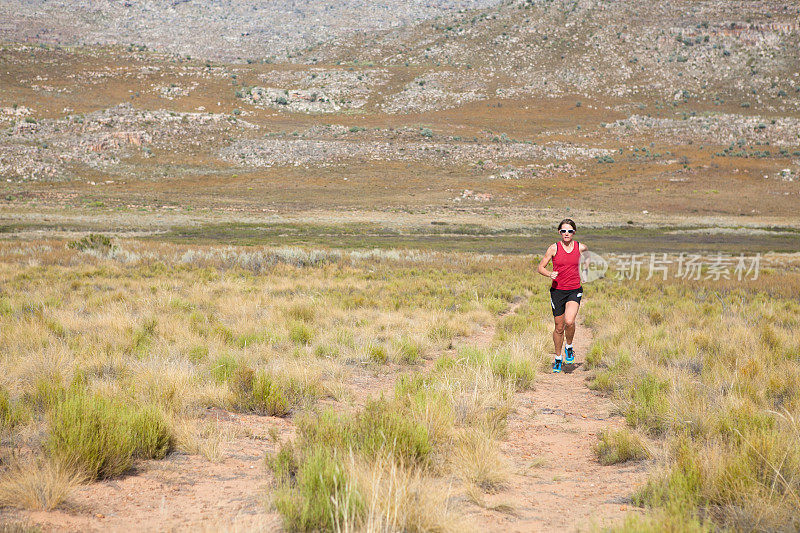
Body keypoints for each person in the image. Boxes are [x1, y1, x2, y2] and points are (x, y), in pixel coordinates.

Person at [537, 218, 586, 373]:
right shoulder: (553, 248)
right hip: (557, 291)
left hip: (574, 289)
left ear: (574, 232)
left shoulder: (581, 247)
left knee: (569, 321)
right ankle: (558, 358)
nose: (566, 233)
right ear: (559, 232)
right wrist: (549, 274)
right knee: (559, 327)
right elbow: (540, 267)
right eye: (563, 231)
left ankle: (569, 347)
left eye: (569, 231)